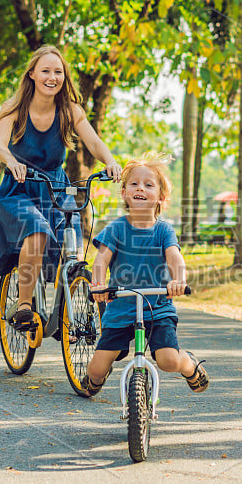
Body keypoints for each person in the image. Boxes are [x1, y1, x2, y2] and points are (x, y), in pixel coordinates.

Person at [0, 45, 122, 333]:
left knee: (70, 241)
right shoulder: (13, 108)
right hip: (20, 188)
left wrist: (110, 162)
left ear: (64, 77)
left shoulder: (70, 111)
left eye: (58, 72)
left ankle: (66, 306)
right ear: (32, 74)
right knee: (36, 232)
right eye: (46, 71)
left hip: (55, 188)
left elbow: (94, 143)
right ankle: (24, 305)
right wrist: (11, 162)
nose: (52, 77)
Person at [80, 156, 209, 397]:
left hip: (157, 308)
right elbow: (101, 261)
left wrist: (177, 280)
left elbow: (174, 258)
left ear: (161, 197)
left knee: (168, 360)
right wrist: (98, 284)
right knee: (95, 371)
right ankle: (99, 375)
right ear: (125, 193)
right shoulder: (116, 228)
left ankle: (189, 364)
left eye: (149, 185)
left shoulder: (163, 230)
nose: (141, 188)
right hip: (121, 308)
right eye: (134, 184)